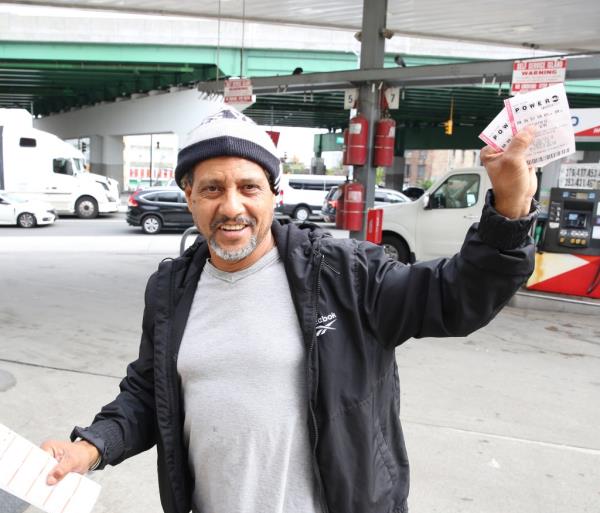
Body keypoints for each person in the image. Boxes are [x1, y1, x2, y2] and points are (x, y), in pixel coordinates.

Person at [42, 106, 538, 513]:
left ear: (275, 195)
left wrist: (510, 212)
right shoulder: (171, 289)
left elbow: (456, 297)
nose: (231, 206)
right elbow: (150, 393)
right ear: (189, 195)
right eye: (212, 188)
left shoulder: (346, 274)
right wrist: (90, 446)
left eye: (248, 187)